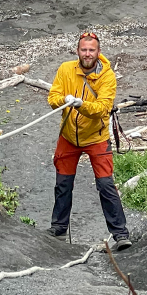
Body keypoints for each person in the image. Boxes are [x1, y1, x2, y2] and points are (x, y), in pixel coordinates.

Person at [47, 32, 131, 250]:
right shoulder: (65, 69)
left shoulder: (107, 76)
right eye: (84, 50)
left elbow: (101, 109)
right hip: (68, 136)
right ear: (78, 51)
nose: (87, 54)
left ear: (98, 52)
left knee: (105, 185)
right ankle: (58, 228)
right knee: (63, 183)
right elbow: (52, 97)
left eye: (91, 50)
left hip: (97, 137)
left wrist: (79, 104)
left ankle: (120, 234)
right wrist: (62, 100)